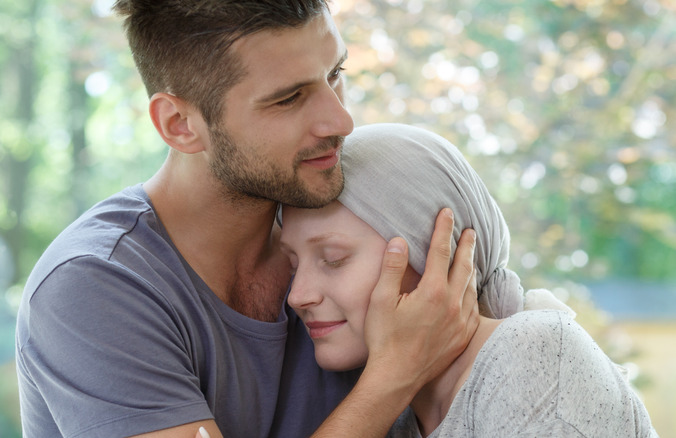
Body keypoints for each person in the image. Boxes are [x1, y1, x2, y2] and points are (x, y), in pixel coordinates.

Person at [15, 2, 481, 437]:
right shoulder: (93, 287)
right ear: (180, 124)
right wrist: (394, 377)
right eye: (289, 99)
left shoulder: (361, 234)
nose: (340, 120)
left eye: (335, 74)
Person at [280, 123, 658, 437]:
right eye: (293, 266)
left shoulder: (531, 355)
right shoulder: (395, 418)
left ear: (435, 252)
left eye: (333, 259)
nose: (298, 295)